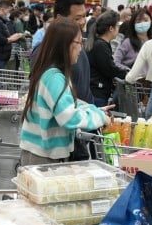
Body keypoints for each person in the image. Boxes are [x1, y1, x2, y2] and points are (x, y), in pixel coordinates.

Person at [19, 18, 111, 166]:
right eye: (78, 42)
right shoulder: (54, 78)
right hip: (42, 157)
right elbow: (68, 117)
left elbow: (68, 103)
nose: (81, 48)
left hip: (43, 153)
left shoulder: (54, 73)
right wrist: (99, 117)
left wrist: (93, 109)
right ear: (64, 45)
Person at [87, 10, 127, 107]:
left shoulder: (101, 43)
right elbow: (109, 69)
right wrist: (126, 74)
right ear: (111, 28)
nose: (118, 29)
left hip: (98, 92)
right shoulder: (100, 46)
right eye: (117, 26)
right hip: (97, 93)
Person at [0, 0, 24, 70]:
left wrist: (13, 36)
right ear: (2, 9)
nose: (8, 13)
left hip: (0, 56)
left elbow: (2, 36)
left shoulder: (0, 20)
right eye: (8, 11)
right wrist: (12, 38)